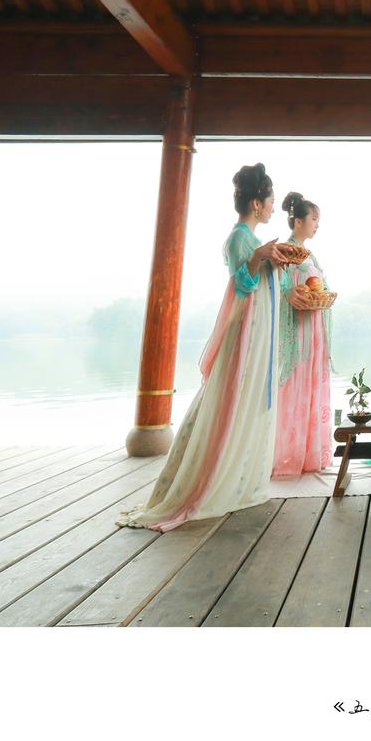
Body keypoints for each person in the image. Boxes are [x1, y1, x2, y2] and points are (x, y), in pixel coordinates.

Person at [119, 163, 290, 531]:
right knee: (231, 398)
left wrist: (275, 260)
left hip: (261, 333)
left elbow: (265, 281)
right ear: (257, 203)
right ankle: (215, 478)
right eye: (271, 201)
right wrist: (259, 257)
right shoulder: (239, 239)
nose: (273, 207)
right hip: (246, 332)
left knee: (248, 399)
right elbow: (241, 284)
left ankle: (244, 479)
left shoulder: (253, 239)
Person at [272, 192, 334, 478]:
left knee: (312, 385)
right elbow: (278, 287)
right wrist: (290, 292)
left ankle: (311, 454)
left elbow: (320, 286)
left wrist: (319, 294)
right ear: (298, 221)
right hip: (297, 329)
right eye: (314, 219)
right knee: (295, 386)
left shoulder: (310, 254)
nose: (317, 224)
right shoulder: (286, 251)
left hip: (313, 327)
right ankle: (289, 454)